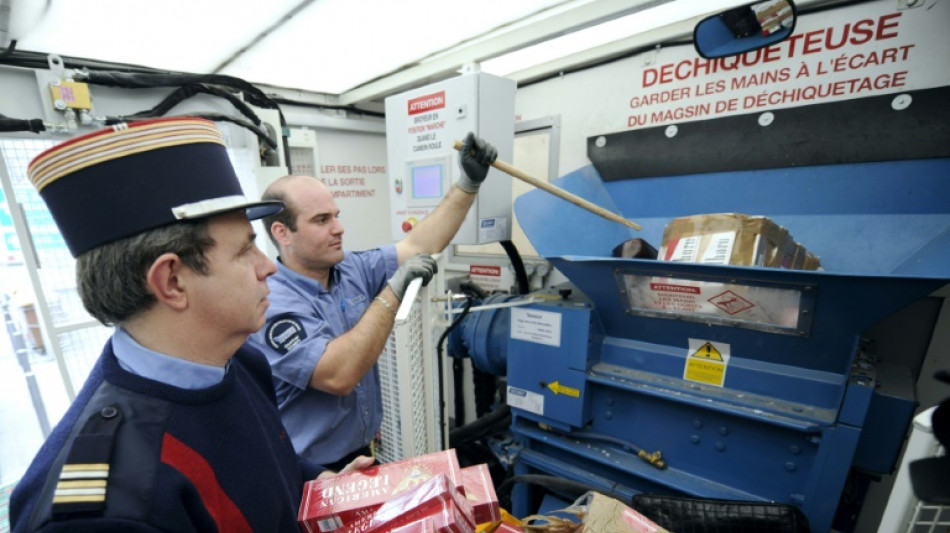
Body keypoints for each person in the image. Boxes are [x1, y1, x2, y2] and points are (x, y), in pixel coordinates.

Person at [10, 117, 371, 533]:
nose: (268, 267)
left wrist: (320, 485)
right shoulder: (107, 511)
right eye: (244, 251)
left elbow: (271, 464)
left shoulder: (239, 361)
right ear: (172, 282)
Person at [248, 132, 498, 470]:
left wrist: (467, 184)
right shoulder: (271, 302)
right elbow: (339, 375)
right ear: (282, 233)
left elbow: (418, 246)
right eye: (322, 220)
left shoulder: (350, 268)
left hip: (360, 451)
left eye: (335, 215)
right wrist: (393, 292)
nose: (339, 228)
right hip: (308, 470)